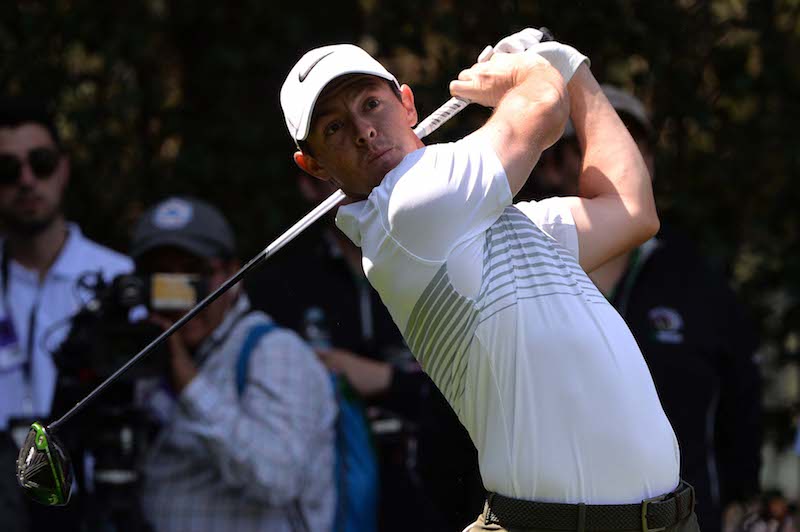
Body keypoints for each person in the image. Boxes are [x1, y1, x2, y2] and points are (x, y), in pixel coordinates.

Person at [279, 28, 697, 532]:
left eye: (371, 104)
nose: (364, 130)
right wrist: (532, 69)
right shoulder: (411, 209)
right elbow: (542, 109)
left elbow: (631, 211)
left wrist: (571, 67)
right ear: (314, 165)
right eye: (333, 129)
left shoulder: (497, 224)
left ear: (407, 105)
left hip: (666, 519)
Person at [523, 85, 762, 532]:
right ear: (555, 165)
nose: (624, 158)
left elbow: (740, 407)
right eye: (600, 145)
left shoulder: (699, 283)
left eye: (637, 146)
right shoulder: (521, 270)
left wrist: (736, 503)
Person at [246, 173, 485, 532]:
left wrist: (388, 381)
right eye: (335, 174)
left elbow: (479, 393)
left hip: (435, 492)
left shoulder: (445, 265)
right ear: (308, 184)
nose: (361, 182)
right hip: (325, 495)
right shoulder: (280, 282)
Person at [132, 196, 337, 532]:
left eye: (194, 274)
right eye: (161, 277)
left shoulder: (272, 350)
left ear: (231, 275)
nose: (179, 293)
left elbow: (279, 476)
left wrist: (190, 385)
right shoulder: (147, 356)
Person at [0, 97, 132, 532]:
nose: (25, 180)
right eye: (7, 169)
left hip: (93, 502)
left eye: (40, 162)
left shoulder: (117, 278)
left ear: (64, 167)